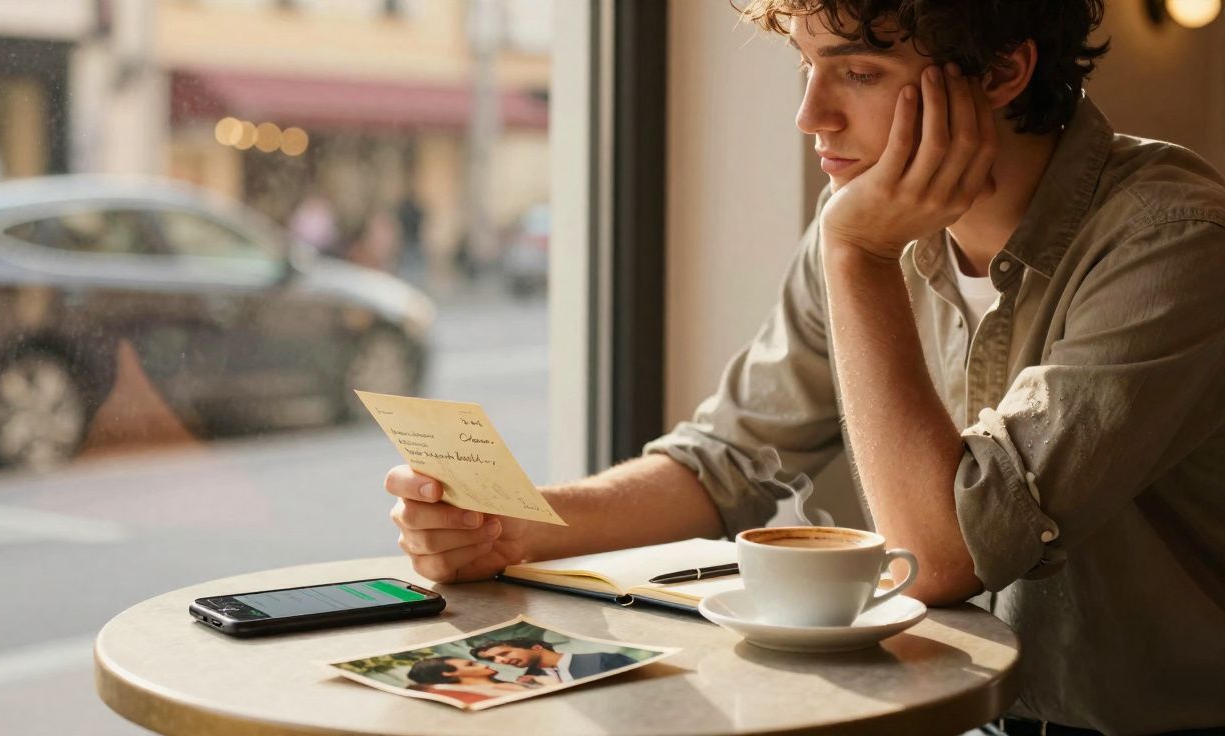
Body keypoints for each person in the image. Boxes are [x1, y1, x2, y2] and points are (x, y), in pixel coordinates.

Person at [383, 1, 1225, 733]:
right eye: (805, 65)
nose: (811, 114)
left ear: (1004, 70)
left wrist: (858, 259)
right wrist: (518, 524)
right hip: (942, 716)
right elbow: (729, 461)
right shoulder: (861, 219)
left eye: (856, 70)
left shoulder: (1170, 240)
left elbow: (941, 558)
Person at [469, 638, 637, 683]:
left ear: (536, 647)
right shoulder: (528, 682)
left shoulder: (603, 659)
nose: (500, 661)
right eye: (493, 659)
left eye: (504, 653)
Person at [405, 657, 537, 701]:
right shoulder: (471, 696)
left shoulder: (520, 681)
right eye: (471, 665)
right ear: (448, 673)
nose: (484, 664)